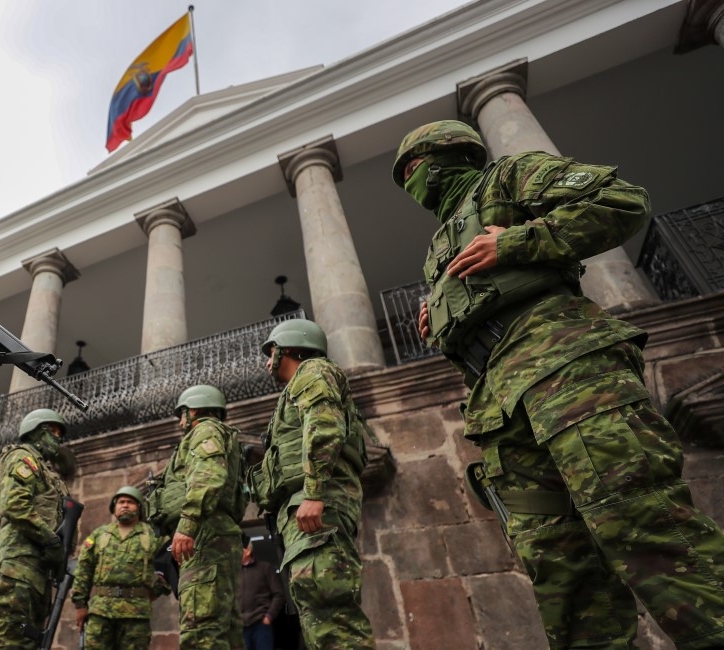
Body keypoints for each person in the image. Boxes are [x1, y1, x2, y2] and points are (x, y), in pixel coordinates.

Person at [393, 120, 724, 649]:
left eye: (413, 168)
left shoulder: (509, 177)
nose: (410, 182)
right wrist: (442, 319)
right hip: (500, 410)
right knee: (561, 573)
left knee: (643, 528)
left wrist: (523, 241)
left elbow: (621, 200)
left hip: (568, 375)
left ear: (446, 156)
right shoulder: (438, 247)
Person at [252, 318, 373, 649]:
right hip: (306, 507)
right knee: (319, 613)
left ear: (288, 348)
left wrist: (314, 493)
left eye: (271, 352)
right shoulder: (297, 388)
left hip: (317, 505)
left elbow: (323, 427)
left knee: (330, 613)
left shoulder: (313, 371)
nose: (267, 361)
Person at [152, 384, 245, 650]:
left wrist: (187, 524)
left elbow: (208, 476)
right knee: (224, 629)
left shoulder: (205, 429)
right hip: (214, 531)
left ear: (195, 409)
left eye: (183, 413)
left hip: (205, 532)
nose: (181, 421)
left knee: (201, 630)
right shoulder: (216, 433)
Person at [0, 408, 73, 649]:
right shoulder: (22, 458)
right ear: (36, 432)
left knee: (29, 642)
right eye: (53, 431)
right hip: (21, 562)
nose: (58, 438)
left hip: (38, 566)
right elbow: (15, 505)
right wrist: (51, 541)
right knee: (12, 639)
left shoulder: (45, 470)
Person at [71, 485, 169, 649]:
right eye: (121, 502)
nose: (125, 505)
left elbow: (170, 563)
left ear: (139, 507)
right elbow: (83, 570)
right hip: (101, 612)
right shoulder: (99, 535)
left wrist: (157, 590)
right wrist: (80, 605)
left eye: (130, 502)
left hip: (136, 614)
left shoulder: (153, 535)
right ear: (114, 507)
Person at [239, 535, 285, 650]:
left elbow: (279, 594)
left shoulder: (265, 568)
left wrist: (268, 617)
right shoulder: (233, 573)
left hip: (261, 624)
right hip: (240, 627)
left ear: (248, 550)